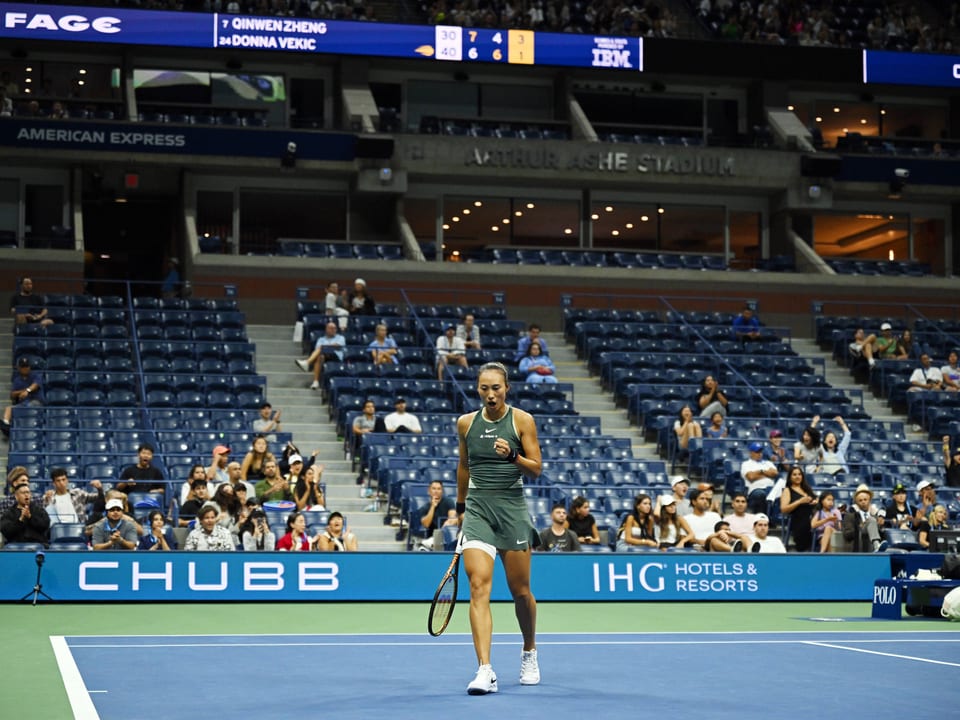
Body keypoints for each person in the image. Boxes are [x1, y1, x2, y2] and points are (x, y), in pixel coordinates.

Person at [456, 361, 543, 694]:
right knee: (478, 585)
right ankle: (485, 670)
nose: (490, 394)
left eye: (496, 388)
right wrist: (461, 507)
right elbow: (464, 466)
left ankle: (529, 650)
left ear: (507, 388)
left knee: (520, 592)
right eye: (484, 388)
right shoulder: (465, 424)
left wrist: (513, 458)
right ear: (477, 389)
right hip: (478, 510)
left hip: (512, 508)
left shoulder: (522, 421)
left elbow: (536, 468)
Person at [296, 320, 346, 390]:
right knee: (319, 356)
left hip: (336, 357)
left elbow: (337, 346)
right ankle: (316, 382)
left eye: (334, 328)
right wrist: (324, 348)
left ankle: (307, 362)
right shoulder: (321, 339)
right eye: (331, 328)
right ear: (326, 329)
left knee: (321, 348)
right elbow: (317, 351)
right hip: (324, 356)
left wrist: (325, 347)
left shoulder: (340, 338)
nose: (333, 330)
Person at [1, 356, 43, 434]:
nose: (25, 368)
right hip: (22, 403)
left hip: (35, 402)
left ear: (29, 367)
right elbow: (12, 395)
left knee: (29, 406)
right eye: (23, 367)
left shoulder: (36, 375)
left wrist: (27, 390)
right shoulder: (17, 380)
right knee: (8, 408)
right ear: (19, 368)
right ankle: (6, 425)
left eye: (27, 366)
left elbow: (36, 385)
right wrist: (21, 392)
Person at [779, 465, 817, 551]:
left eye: (799, 474)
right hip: (799, 520)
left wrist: (816, 501)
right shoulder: (787, 490)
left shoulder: (807, 489)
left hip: (813, 518)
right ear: (790, 477)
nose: (797, 477)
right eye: (794, 474)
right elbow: (783, 509)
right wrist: (799, 501)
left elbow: (815, 499)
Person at [842, 484, 886, 552]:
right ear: (856, 502)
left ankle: (876, 546)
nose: (863, 502)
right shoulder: (850, 515)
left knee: (872, 520)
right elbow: (847, 534)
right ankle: (876, 545)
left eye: (865, 499)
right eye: (860, 500)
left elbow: (882, 534)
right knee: (871, 520)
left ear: (869, 500)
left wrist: (881, 526)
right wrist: (858, 527)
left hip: (869, 543)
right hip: (857, 543)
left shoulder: (875, 514)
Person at [417, 480, 458, 550]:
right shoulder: (424, 508)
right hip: (433, 536)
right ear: (429, 491)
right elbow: (426, 524)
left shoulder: (448, 501)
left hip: (448, 534)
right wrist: (433, 507)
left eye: (439, 489)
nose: (436, 491)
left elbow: (452, 518)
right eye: (434, 488)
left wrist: (445, 527)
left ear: (442, 491)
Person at [741, 441, 779, 514]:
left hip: (771, 489)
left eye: (761, 452)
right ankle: (762, 519)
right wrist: (766, 472)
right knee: (760, 495)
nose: (760, 454)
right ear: (751, 453)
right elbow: (751, 477)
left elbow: (775, 473)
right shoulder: (746, 464)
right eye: (757, 452)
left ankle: (776, 520)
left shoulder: (768, 463)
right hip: (755, 490)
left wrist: (760, 472)